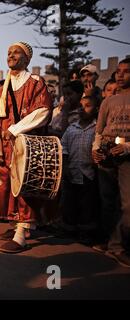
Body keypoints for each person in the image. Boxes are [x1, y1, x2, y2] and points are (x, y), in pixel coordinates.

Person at [0, 41, 52, 253]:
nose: (11, 55)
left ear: (27, 58)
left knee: (25, 186)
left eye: (16, 52)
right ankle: (18, 226)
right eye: (9, 52)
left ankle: (21, 235)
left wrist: (16, 130)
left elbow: (43, 111)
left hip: (27, 145)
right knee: (7, 187)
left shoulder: (35, 82)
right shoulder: (1, 90)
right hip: (7, 146)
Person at [91, 58, 130, 268]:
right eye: (119, 71)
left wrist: (127, 147)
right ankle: (115, 246)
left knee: (127, 205)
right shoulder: (108, 102)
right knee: (108, 203)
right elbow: (99, 130)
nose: (121, 75)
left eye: (127, 71)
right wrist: (95, 150)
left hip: (127, 158)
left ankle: (119, 244)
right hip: (106, 156)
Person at [60, 95, 99, 244]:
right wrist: (65, 166)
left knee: (87, 204)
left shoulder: (96, 129)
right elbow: (64, 148)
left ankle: (86, 232)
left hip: (88, 173)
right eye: (80, 106)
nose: (82, 109)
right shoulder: (72, 128)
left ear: (95, 110)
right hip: (72, 172)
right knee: (70, 202)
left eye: (87, 106)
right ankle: (69, 229)